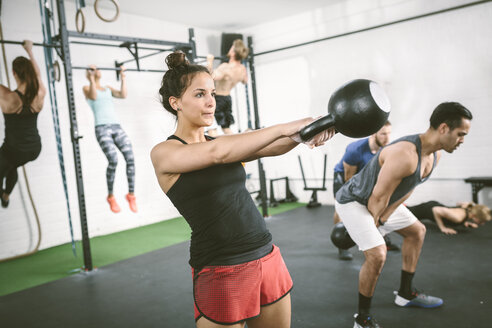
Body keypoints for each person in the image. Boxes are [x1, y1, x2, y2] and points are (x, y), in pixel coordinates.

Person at [151, 51, 334, 328]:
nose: (211, 101)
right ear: (176, 102)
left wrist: (310, 131)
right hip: (220, 267)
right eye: (200, 94)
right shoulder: (166, 152)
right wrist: (286, 127)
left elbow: (268, 148)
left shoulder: (220, 140)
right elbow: (217, 154)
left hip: (265, 254)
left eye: (212, 93)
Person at [335, 102, 472, 328]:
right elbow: (376, 198)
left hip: (380, 201)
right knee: (378, 254)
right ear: (444, 128)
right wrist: (375, 230)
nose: (462, 141)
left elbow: (408, 187)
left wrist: (386, 217)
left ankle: (406, 294)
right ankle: (362, 319)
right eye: (461, 134)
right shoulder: (405, 154)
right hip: (354, 201)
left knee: (417, 231)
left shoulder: (435, 155)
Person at [332, 121, 395, 260]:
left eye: (389, 133)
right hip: (344, 177)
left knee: (379, 204)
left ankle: (382, 236)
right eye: (383, 134)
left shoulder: (385, 149)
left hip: (365, 177)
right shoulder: (355, 149)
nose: (388, 138)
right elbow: (349, 179)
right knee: (342, 207)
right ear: (374, 134)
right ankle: (342, 244)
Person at [82, 65, 137, 213]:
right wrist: (91, 78)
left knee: (130, 158)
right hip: (101, 128)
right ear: (89, 74)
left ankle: (131, 195)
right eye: (93, 70)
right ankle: (111, 196)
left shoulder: (107, 88)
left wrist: (123, 78)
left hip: (116, 127)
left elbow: (123, 94)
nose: (96, 71)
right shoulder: (87, 88)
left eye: (97, 69)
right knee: (113, 160)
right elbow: (93, 96)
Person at [0, 40, 45, 208]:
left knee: (8, 162)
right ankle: (5, 196)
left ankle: (3, 194)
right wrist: (30, 51)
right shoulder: (40, 92)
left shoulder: (8, 97)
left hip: (14, 149)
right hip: (34, 149)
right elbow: (38, 75)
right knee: (12, 165)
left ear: (14, 73)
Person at [205, 39, 249, 136]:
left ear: (233, 53)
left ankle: (216, 150)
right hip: (228, 99)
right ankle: (236, 148)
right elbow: (245, 81)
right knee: (226, 128)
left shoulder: (226, 67)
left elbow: (210, 76)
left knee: (212, 128)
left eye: (231, 48)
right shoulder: (242, 69)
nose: (229, 49)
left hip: (218, 99)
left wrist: (209, 61)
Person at [407, 200, 491, 234]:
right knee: (406, 212)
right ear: (475, 216)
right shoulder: (458, 217)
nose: (482, 223)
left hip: (436, 205)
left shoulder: (468, 208)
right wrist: (443, 228)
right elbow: (435, 210)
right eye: (482, 221)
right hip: (426, 210)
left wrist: (466, 223)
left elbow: (459, 203)